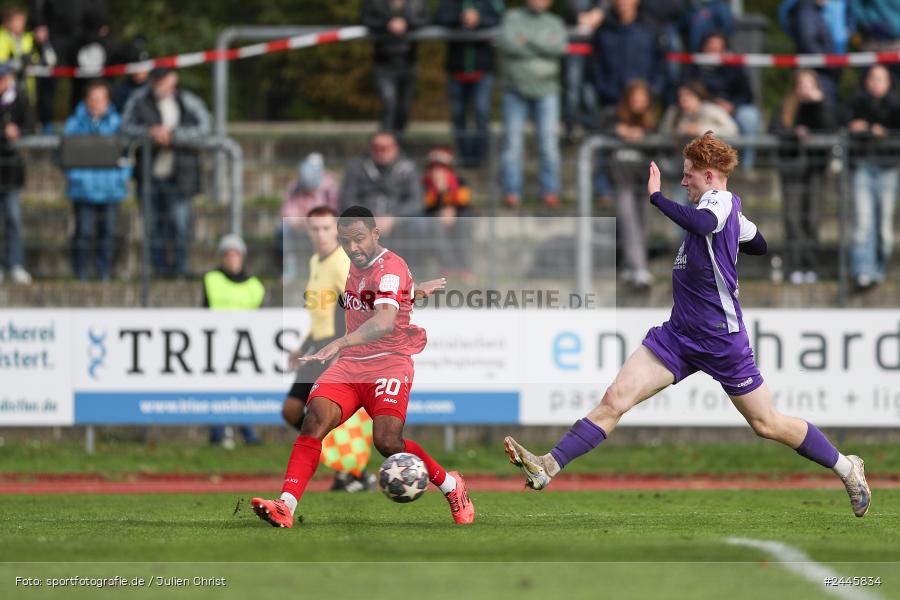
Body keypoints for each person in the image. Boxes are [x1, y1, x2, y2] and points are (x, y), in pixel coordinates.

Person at [504, 132, 872, 519]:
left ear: (709, 176)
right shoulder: (728, 209)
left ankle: (848, 468)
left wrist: (657, 198)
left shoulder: (721, 202)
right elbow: (759, 243)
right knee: (616, 398)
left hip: (720, 339)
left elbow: (702, 221)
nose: (684, 182)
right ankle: (549, 465)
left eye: (689, 176)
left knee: (767, 424)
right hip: (678, 335)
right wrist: (737, 234)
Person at [251, 206, 474, 528]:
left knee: (387, 443)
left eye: (358, 239)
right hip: (352, 365)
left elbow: (383, 321)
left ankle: (452, 486)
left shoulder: (390, 267)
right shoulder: (354, 266)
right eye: (346, 241)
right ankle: (285, 505)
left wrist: (339, 342)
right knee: (314, 419)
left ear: (375, 234)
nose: (352, 247)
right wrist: (412, 292)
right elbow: (372, 298)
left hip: (389, 363)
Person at [282, 205, 374, 491]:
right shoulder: (315, 262)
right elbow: (321, 314)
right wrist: (302, 346)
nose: (321, 234)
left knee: (324, 415)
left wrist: (342, 350)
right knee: (292, 410)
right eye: (315, 229)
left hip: (335, 348)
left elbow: (357, 311)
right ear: (308, 231)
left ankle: (352, 472)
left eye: (326, 228)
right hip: (319, 346)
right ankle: (349, 470)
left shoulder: (341, 263)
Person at [121, 67, 211, 278]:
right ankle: (159, 269)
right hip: (149, 175)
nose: (169, 87)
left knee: (180, 224)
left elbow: (206, 127)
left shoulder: (187, 100)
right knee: (152, 225)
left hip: (181, 175)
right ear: (154, 82)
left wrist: (174, 135)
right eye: (164, 83)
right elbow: (124, 128)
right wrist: (149, 133)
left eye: (171, 83)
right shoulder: (139, 100)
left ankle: (180, 267)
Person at [498, 0, 567, 208]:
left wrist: (527, 41)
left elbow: (559, 47)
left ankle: (550, 190)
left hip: (547, 90)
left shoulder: (555, 21)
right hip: (515, 89)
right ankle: (511, 190)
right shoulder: (512, 17)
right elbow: (509, 44)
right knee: (512, 144)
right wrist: (542, 45)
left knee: (548, 143)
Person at [769, 69, 834, 284]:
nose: (805, 88)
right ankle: (794, 266)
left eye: (810, 84)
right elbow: (775, 129)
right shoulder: (786, 106)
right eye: (801, 84)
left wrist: (819, 104)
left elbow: (831, 127)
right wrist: (794, 133)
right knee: (793, 218)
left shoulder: (822, 105)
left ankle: (810, 265)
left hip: (815, 170)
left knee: (813, 218)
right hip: (792, 170)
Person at [63, 79, 130, 281]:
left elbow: (127, 157)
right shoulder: (74, 124)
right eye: (92, 99)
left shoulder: (118, 124)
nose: (96, 103)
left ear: (108, 101)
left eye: (100, 99)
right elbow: (66, 156)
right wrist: (78, 179)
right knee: (83, 233)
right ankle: (80, 273)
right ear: (86, 100)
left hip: (111, 189)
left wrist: (120, 180)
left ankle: (104, 272)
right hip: (83, 189)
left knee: (108, 233)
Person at [203, 234, 264, 447]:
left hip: (244, 346)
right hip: (217, 343)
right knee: (217, 390)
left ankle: (248, 433)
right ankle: (218, 434)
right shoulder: (211, 279)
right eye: (227, 254)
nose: (231, 258)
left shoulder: (255, 285)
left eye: (235, 254)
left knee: (243, 390)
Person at [846, 64, 900, 290]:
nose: (876, 83)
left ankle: (877, 270)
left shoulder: (896, 104)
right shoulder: (857, 102)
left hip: (888, 169)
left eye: (881, 79)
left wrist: (880, 132)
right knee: (863, 224)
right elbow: (845, 124)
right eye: (873, 78)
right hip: (864, 166)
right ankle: (862, 271)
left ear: (888, 82)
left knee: (885, 230)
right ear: (866, 81)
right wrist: (867, 129)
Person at [434, 0, 505, 168]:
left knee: (481, 111)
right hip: (456, 66)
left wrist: (479, 20)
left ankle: (478, 157)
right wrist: (460, 18)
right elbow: (439, 17)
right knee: (458, 115)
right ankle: (465, 157)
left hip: (483, 66)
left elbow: (500, 18)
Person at [602, 79, 658, 289]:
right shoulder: (613, 118)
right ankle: (639, 269)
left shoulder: (652, 123)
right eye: (635, 98)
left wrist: (643, 135)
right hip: (621, 181)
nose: (638, 103)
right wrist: (618, 130)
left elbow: (662, 145)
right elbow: (596, 129)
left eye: (642, 99)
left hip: (643, 183)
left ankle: (629, 265)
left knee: (641, 225)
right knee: (629, 224)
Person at [30, 0, 110, 129]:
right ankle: (45, 127)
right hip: (55, 34)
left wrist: (101, 21)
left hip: (84, 35)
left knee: (84, 83)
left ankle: (80, 126)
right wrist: (39, 22)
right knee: (48, 82)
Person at [686, 32, 761, 168]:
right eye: (711, 49)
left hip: (731, 110)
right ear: (703, 48)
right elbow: (689, 92)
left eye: (718, 49)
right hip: (706, 110)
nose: (714, 53)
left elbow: (748, 95)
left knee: (750, 116)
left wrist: (732, 105)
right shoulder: (694, 67)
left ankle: (746, 167)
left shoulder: (734, 67)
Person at [361, 0, 430, 134]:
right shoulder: (374, 3)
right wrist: (387, 24)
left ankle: (397, 145)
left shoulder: (417, 3)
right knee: (389, 105)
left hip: (408, 62)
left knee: (404, 109)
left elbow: (427, 19)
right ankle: (385, 145)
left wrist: (407, 23)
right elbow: (365, 19)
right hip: (383, 62)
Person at [339, 131, 423, 235]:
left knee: (420, 222)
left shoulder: (408, 169)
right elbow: (348, 199)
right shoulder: (357, 168)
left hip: (399, 223)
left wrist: (393, 218)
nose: (379, 152)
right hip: (363, 223)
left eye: (384, 148)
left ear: (395, 148)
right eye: (375, 148)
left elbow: (416, 202)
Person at [0, 61, 34, 285]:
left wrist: (18, 132)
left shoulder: (21, 98)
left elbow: (32, 125)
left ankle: (15, 264)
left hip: (11, 171)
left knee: (13, 218)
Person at [279, 153, 339, 280]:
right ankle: (290, 265)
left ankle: (327, 267)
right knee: (283, 229)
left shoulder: (329, 187)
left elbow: (333, 212)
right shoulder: (295, 187)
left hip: (320, 225)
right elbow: (287, 211)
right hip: (299, 226)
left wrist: (315, 222)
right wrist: (300, 223)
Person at [422, 147, 474, 281]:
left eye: (442, 167)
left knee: (464, 224)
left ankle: (465, 268)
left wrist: (449, 203)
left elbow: (464, 202)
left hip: (457, 216)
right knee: (435, 226)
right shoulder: (425, 185)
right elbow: (427, 206)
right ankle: (447, 267)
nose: (438, 172)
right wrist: (439, 193)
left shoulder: (460, 182)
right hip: (435, 218)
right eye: (434, 168)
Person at [783, 0, 841, 105]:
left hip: (819, 70)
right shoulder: (806, 12)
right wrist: (831, 63)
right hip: (818, 71)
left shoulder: (810, 10)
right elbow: (808, 45)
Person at [562, 0, 605, 141]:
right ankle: (571, 127)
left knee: (590, 91)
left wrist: (599, 13)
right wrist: (581, 16)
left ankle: (592, 127)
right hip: (575, 48)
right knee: (572, 89)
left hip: (595, 50)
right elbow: (571, 9)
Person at [659, 81, 738, 139]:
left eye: (688, 95)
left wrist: (701, 130)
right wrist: (683, 130)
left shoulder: (712, 110)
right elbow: (664, 132)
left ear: (698, 96)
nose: (683, 99)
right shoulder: (674, 112)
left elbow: (732, 130)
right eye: (680, 96)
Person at [0, 7, 39, 107]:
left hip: (25, 88)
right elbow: (2, 63)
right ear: (9, 22)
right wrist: (19, 62)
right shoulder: (2, 37)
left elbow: (35, 58)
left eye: (23, 21)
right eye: (18, 21)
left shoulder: (27, 37)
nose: (21, 24)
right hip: (6, 89)